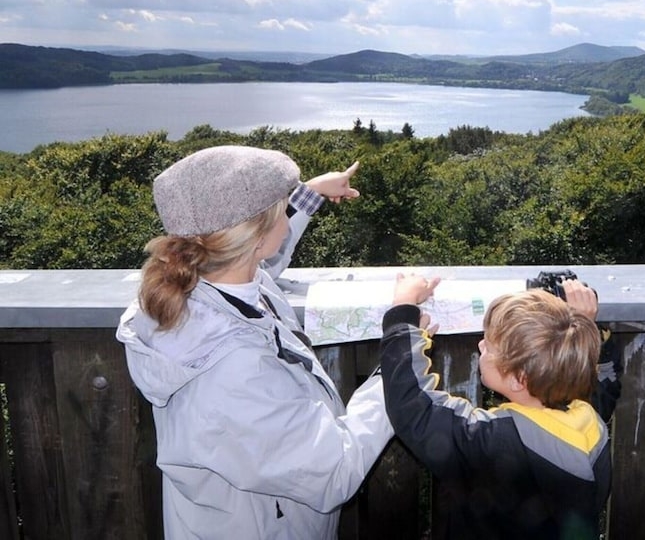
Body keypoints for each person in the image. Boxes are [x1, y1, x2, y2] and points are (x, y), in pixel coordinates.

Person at [116, 145, 427, 539]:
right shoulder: (234, 370)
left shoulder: (197, 289)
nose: (286, 214)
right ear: (255, 235)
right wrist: (400, 355)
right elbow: (335, 471)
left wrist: (309, 194)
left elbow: (260, 265)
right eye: (282, 206)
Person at [379, 278, 616, 540]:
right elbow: (605, 383)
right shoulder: (590, 422)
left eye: (490, 346)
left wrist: (403, 313)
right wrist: (584, 330)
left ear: (519, 379)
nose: (481, 345)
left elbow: (413, 406)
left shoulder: (493, 442)